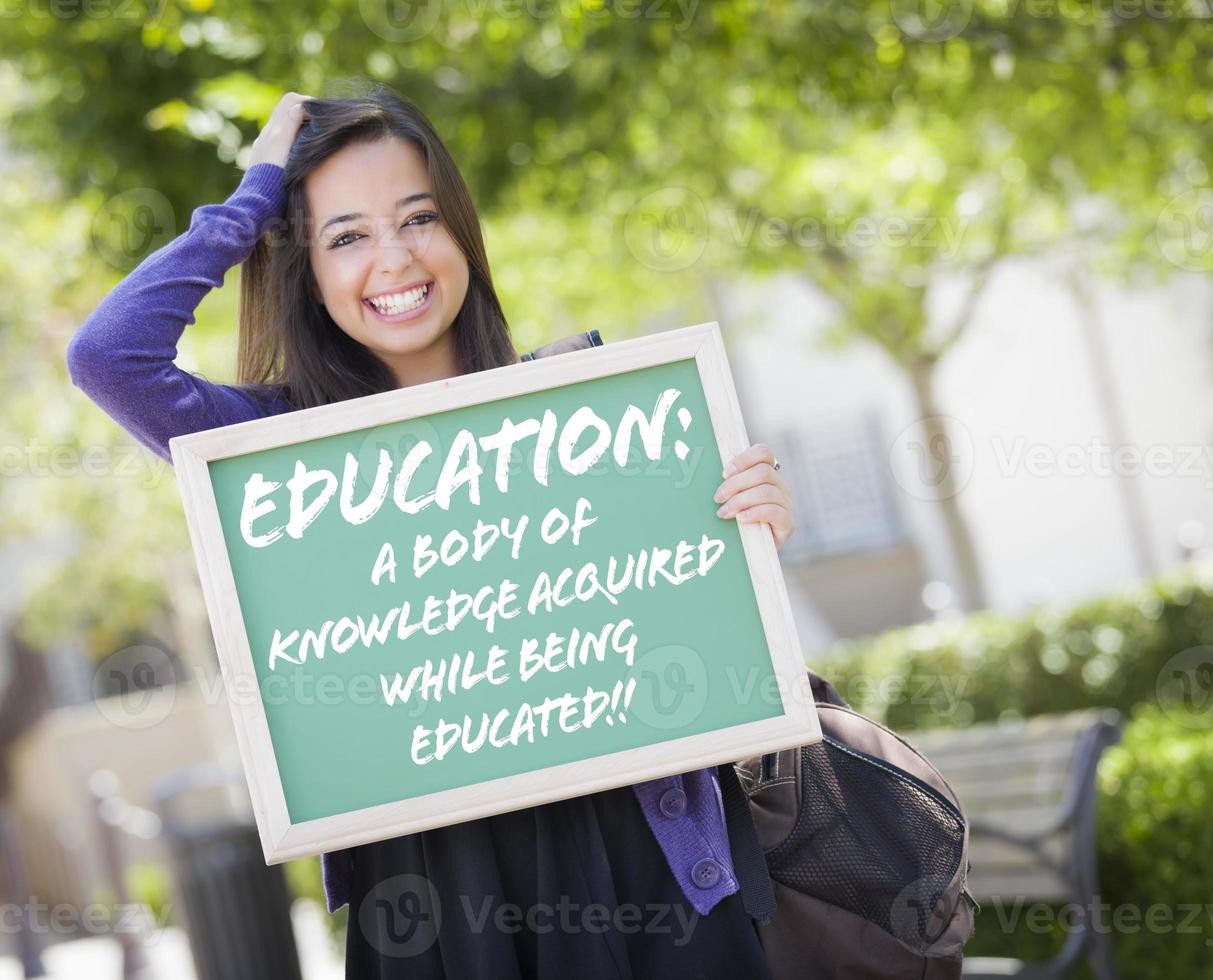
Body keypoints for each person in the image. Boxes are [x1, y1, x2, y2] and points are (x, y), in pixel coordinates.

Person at [66, 84, 798, 979]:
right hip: (436, 897)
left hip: (644, 859)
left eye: (418, 218)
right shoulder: (272, 453)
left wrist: (745, 538)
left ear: (459, 232)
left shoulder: (591, 411)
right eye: (345, 236)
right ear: (302, 265)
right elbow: (110, 356)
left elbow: (696, 640)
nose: (395, 258)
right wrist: (255, 192)